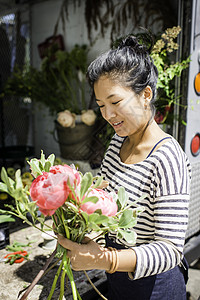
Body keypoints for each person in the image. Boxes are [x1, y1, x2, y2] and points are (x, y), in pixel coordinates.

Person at [58, 35, 191, 300]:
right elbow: (101, 196)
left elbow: (169, 250)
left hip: (155, 288)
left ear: (146, 95)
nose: (107, 115)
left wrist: (105, 260)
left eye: (115, 102)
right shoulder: (118, 142)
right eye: (101, 106)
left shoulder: (167, 157)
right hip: (119, 280)